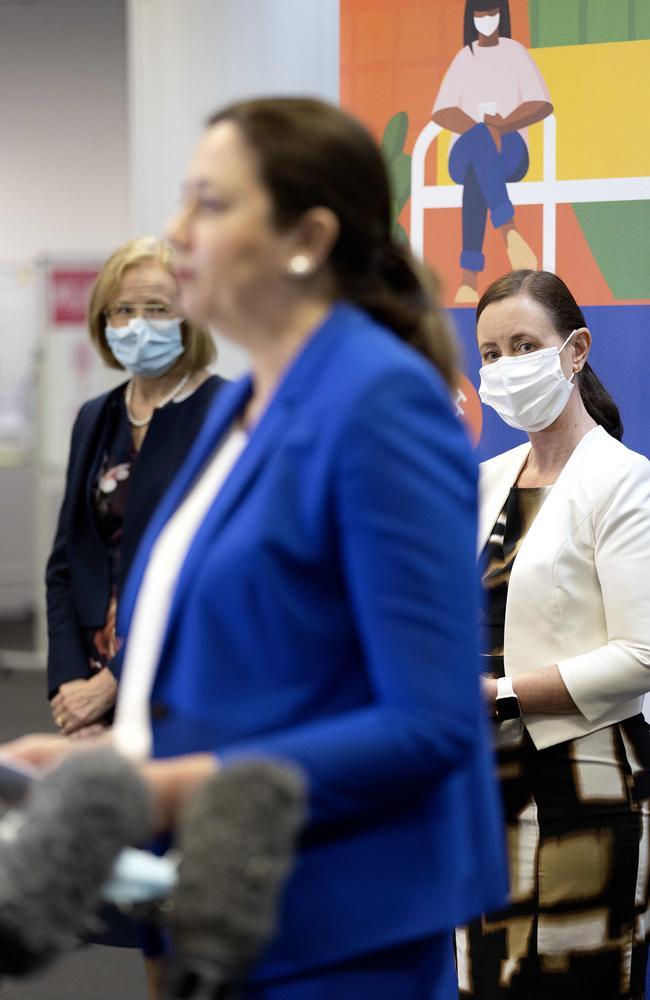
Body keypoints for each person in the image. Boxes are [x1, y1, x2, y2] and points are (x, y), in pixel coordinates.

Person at [7, 98, 506, 998]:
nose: (175, 228)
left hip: (342, 933)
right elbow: (260, 682)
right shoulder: (250, 406)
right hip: (235, 910)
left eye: (209, 201)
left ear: (305, 237)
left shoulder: (379, 401)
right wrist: (113, 759)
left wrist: (159, 789)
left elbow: (428, 724)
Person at [456, 269, 650, 998]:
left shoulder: (625, 480)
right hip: (482, 785)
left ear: (575, 351)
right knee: (484, 983)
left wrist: (501, 695)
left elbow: (642, 655)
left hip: (587, 780)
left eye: (524, 345)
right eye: (492, 353)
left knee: (580, 986)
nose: (506, 367)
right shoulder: (485, 478)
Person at [46, 235, 225, 736]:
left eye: (157, 307)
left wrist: (115, 684)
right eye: (123, 309)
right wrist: (69, 686)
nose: (138, 323)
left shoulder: (223, 414)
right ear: (105, 321)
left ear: (188, 316)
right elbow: (66, 561)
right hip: (87, 691)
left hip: (179, 680)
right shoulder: (95, 417)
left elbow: (211, 571)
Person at [432, 0, 552, 305]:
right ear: (471, 17)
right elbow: (443, 111)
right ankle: (508, 229)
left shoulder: (515, 54)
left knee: (478, 172)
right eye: (480, 14)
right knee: (478, 147)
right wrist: (482, 130)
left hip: (511, 151)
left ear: (502, 15)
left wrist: (502, 126)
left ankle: (468, 281)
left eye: (492, 13)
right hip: (466, 150)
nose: (486, 19)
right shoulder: (465, 58)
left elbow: (541, 104)